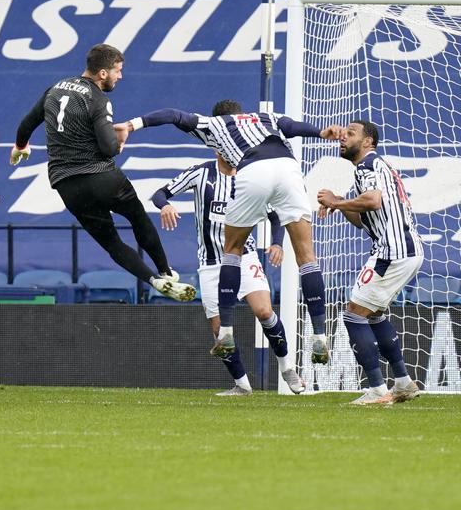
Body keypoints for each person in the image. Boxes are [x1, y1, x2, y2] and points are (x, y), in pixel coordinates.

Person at [119, 101, 341, 362]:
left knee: (232, 250)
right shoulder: (266, 116)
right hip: (288, 169)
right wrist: (320, 132)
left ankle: (225, 331)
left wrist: (131, 125)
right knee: (307, 257)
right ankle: (320, 335)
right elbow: (291, 126)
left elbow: (173, 114)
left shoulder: (215, 124)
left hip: (253, 170)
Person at [11, 44, 194, 302]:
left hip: (67, 185)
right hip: (102, 177)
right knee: (138, 218)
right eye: (118, 71)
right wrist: (120, 142)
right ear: (103, 73)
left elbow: (26, 124)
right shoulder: (97, 99)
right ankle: (165, 271)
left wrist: (20, 147)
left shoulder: (55, 89)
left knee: (112, 243)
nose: (120, 76)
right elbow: (108, 148)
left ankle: (153, 280)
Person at [152, 154, 304, 395]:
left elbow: (275, 216)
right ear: (217, 148)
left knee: (265, 312)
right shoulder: (201, 173)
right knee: (220, 331)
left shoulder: (252, 178)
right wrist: (165, 205)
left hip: (245, 257)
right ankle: (242, 385)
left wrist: (277, 243)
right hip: (211, 264)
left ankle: (287, 369)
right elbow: (160, 194)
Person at [316, 120, 423, 406]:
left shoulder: (367, 165)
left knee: (353, 315)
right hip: (405, 250)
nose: (343, 137)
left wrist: (336, 202)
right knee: (373, 315)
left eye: (351, 133)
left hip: (391, 252)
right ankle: (403, 383)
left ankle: (377, 389)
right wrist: (341, 202)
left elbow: (373, 201)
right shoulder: (376, 167)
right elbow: (363, 220)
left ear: (367, 142)